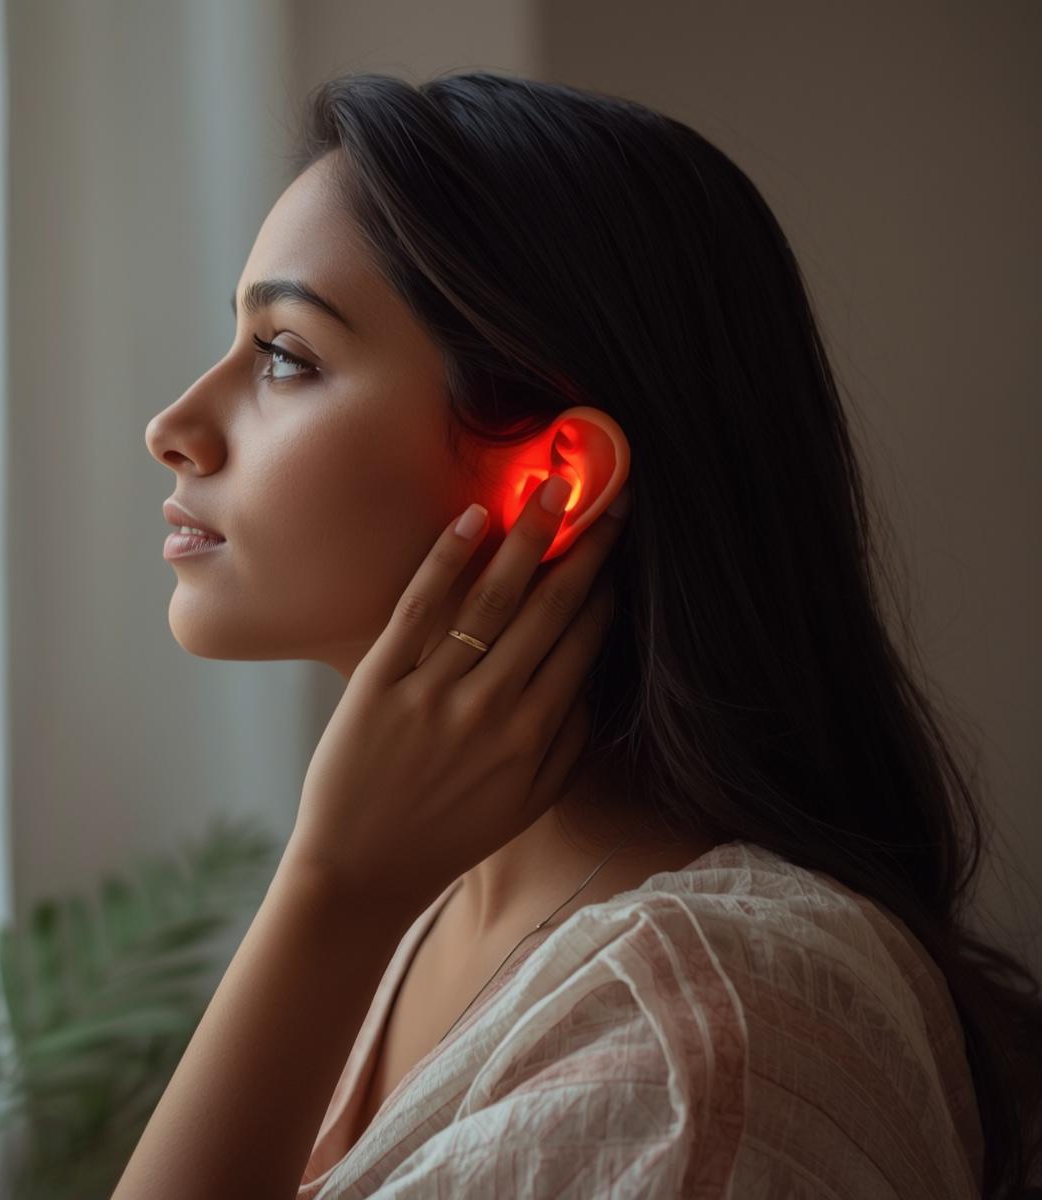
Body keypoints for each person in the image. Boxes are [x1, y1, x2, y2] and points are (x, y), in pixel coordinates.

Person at [142, 71, 1041, 1198]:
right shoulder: (433, 897)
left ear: (554, 481)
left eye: (286, 356)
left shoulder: (697, 1044)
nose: (172, 427)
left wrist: (326, 894)